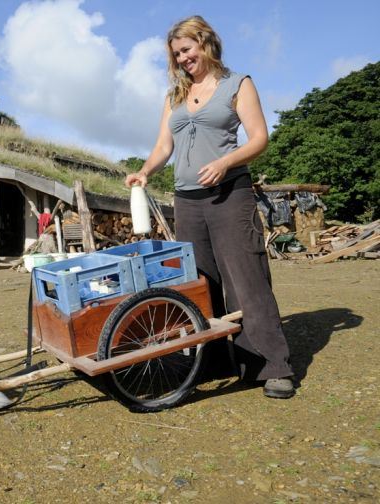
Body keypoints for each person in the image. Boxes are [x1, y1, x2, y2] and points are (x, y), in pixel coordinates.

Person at [125, 15, 295, 398]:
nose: (183, 59)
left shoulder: (237, 84)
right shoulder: (174, 96)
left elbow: (259, 138)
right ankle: (216, 361)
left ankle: (272, 366)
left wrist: (225, 162)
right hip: (188, 201)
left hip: (230, 194)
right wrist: (145, 171)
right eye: (177, 55)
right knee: (200, 283)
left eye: (187, 50)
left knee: (246, 279)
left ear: (205, 43)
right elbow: (163, 147)